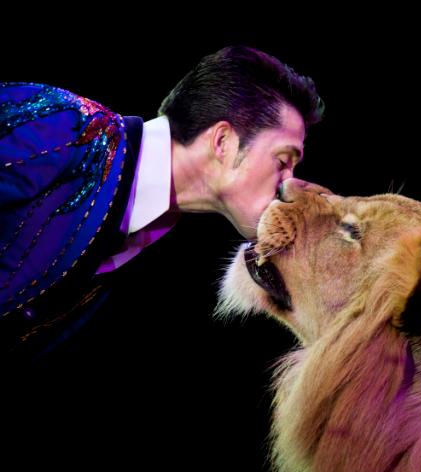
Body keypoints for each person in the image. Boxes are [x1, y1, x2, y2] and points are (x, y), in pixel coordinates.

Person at [0, 45, 325, 362]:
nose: (289, 184)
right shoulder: (63, 125)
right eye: (283, 160)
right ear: (223, 142)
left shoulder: (147, 237)